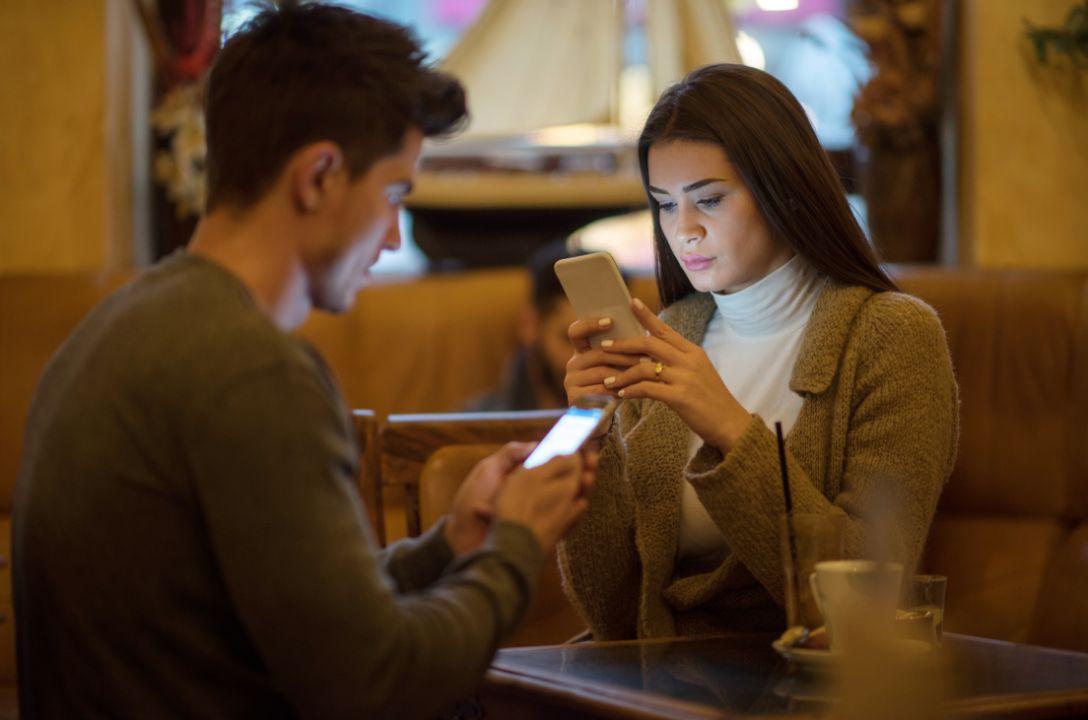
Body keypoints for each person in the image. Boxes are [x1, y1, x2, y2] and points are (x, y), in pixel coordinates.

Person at [13, 5, 594, 719]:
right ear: (318, 175)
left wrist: (451, 544)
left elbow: (291, 614)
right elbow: (376, 679)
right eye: (391, 195)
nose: (390, 235)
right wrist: (514, 547)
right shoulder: (253, 370)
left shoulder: (121, 322)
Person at [558, 64, 959, 640]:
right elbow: (613, 613)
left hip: (799, 680)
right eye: (665, 205)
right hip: (660, 676)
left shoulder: (892, 336)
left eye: (709, 200)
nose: (684, 230)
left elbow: (871, 594)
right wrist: (586, 431)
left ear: (783, 188)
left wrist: (727, 426)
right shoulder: (674, 332)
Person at [466, 242, 584, 412]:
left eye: (603, 340)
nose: (588, 357)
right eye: (570, 339)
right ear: (530, 326)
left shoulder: (628, 427)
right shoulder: (476, 425)